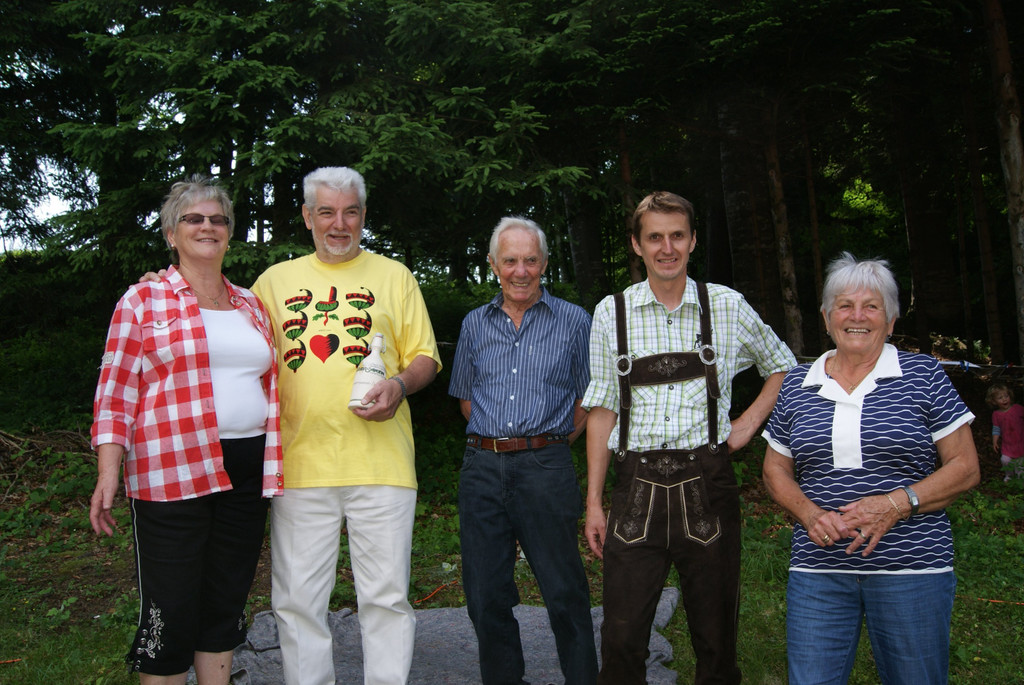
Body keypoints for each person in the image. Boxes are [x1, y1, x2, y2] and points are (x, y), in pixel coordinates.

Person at [583, 191, 796, 685]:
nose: (667, 248)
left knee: (716, 636)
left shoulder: (726, 306)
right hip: (635, 490)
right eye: (655, 237)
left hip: (708, 485)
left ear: (693, 240)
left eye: (677, 235)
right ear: (637, 244)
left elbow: (783, 365)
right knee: (621, 637)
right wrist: (594, 502)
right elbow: (602, 409)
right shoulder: (611, 312)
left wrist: (746, 424)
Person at [251, 166, 440, 685]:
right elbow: (224, 323)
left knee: (386, 599)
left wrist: (398, 386)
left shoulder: (395, 276)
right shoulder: (273, 282)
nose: (339, 224)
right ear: (307, 217)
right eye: (327, 212)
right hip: (299, 465)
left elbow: (425, 357)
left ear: (363, 215)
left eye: (350, 212)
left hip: (382, 465)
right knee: (297, 603)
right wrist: (169, 282)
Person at [90, 176, 283, 684]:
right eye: (192, 218)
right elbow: (115, 393)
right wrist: (108, 472)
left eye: (218, 219)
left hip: (246, 471)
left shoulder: (251, 305)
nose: (207, 226)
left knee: (226, 600)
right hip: (171, 472)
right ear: (171, 234)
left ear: (230, 232)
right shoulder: (142, 301)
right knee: (171, 607)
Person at [761, 252, 980, 685]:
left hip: (913, 567)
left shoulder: (924, 374)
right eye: (844, 305)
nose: (857, 316)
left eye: (872, 306)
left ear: (891, 320)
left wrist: (896, 504)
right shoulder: (797, 384)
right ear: (826, 318)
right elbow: (774, 470)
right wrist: (810, 515)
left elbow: (966, 466)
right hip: (818, 570)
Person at [448, 217, 598, 685]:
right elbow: (467, 400)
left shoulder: (575, 321)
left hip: (545, 467)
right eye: (510, 260)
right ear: (494, 265)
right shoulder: (474, 324)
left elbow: (590, 399)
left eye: (530, 260)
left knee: (564, 590)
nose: (520, 271)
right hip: (481, 468)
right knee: (485, 595)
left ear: (545, 264)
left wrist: (547, 445)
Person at [986, 381, 1024, 481]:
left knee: (1020, 463)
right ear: (994, 401)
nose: (1004, 399)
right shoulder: (996, 414)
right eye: (1000, 398)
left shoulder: (1018, 408)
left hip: (1020, 442)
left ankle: (1020, 481)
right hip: (1007, 444)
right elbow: (996, 428)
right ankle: (1009, 476)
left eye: (1006, 396)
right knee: (1005, 460)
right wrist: (994, 441)